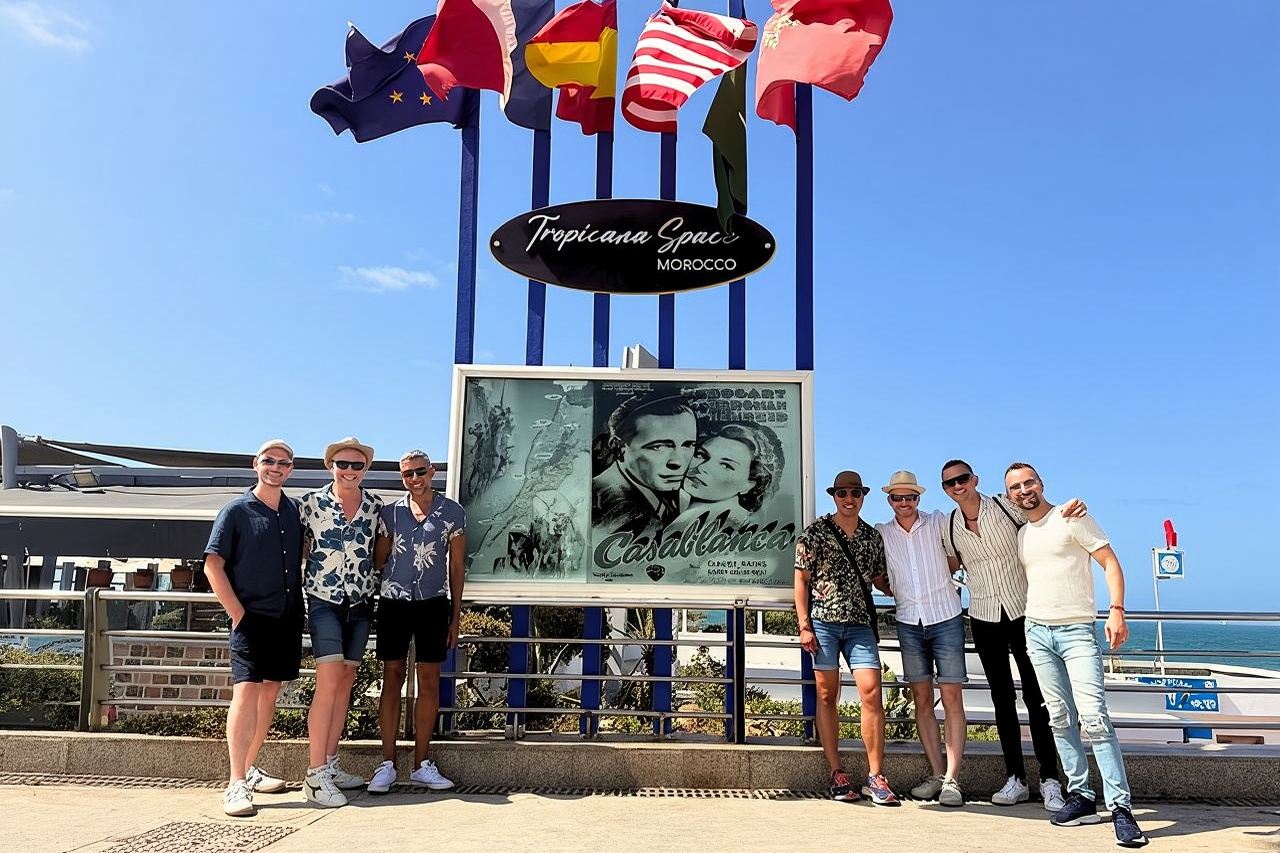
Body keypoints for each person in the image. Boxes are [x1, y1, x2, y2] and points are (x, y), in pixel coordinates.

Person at [1005, 462, 1148, 848]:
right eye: (1015, 487)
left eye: (1028, 482)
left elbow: (1110, 563)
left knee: (1095, 718)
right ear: (1009, 495)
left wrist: (1116, 610)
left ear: (1041, 483)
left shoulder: (1071, 517)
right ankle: (1081, 797)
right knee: (1060, 718)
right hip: (1035, 631)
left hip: (1077, 630)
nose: (1023, 491)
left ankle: (1121, 809)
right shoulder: (1021, 535)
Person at [939, 459, 1077, 811]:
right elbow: (950, 564)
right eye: (950, 483)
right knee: (1002, 700)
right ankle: (1015, 778)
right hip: (984, 616)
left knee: (1037, 697)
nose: (958, 486)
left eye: (963, 479)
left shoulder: (1005, 505)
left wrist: (1072, 510)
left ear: (975, 479)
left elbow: (1043, 515)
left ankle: (1050, 780)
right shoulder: (950, 524)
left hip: (1024, 610)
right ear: (945, 489)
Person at [203, 439, 304, 817]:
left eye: (284, 463)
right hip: (251, 619)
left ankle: (248, 769)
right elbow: (213, 565)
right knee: (245, 692)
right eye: (269, 461)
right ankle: (234, 783)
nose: (276, 467)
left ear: (291, 469)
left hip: (287, 616)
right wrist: (238, 615)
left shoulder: (294, 512)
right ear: (255, 464)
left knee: (270, 695)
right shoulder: (235, 511)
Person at [794, 471, 897, 805]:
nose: (848, 499)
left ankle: (876, 775)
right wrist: (804, 624)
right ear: (834, 496)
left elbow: (880, 578)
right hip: (823, 623)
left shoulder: (871, 536)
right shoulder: (816, 533)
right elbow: (801, 579)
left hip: (860, 624)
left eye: (854, 493)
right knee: (826, 695)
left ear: (863, 496)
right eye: (842, 493)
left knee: (871, 693)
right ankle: (837, 773)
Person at [367, 450, 467, 794]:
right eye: (407, 474)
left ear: (433, 471)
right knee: (391, 675)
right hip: (393, 601)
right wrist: (385, 540)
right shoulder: (390, 513)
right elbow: (379, 560)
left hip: (433, 603)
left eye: (420, 471)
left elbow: (456, 567)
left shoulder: (453, 513)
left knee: (429, 677)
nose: (414, 479)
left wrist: (455, 616)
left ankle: (422, 763)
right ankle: (387, 763)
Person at [298, 437, 384, 808]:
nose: (349, 471)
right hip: (323, 601)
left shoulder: (375, 506)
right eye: (342, 464)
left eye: (357, 465)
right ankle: (314, 775)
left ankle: (331, 763)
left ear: (366, 469)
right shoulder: (310, 504)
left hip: (361, 601)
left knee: (346, 681)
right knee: (328, 682)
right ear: (329, 466)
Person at [873, 471, 967, 807]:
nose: (904, 503)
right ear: (889, 501)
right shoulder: (882, 533)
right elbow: (877, 574)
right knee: (922, 701)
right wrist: (894, 590)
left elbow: (957, 556)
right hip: (908, 622)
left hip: (946, 617)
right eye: (897, 498)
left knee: (952, 698)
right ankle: (938, 774)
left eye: (909, 497)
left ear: (918, 499)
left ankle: (953, 781)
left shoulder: (939, 522)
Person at [591, 393, 698, 540]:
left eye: (688, 445)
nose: (677, 462)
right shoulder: (597, 504)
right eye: (659, 446)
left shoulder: (685, 499)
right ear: (618, 447)